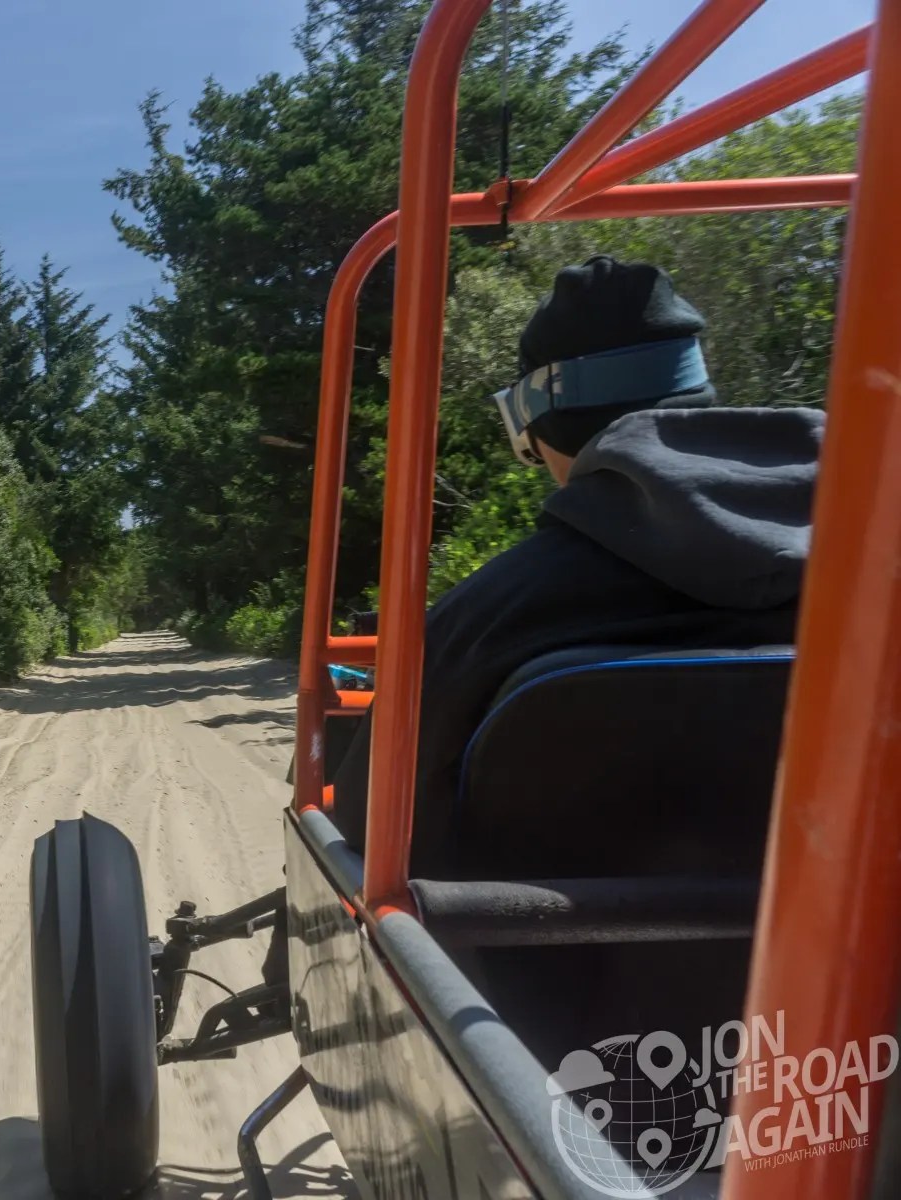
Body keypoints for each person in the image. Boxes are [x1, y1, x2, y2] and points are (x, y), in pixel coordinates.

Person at [264, 255, 822, 994]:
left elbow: (360, 841)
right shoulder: (869, 572)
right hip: (847, 1011)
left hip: (546, 1034)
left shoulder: (486, 617)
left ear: (538, 421)